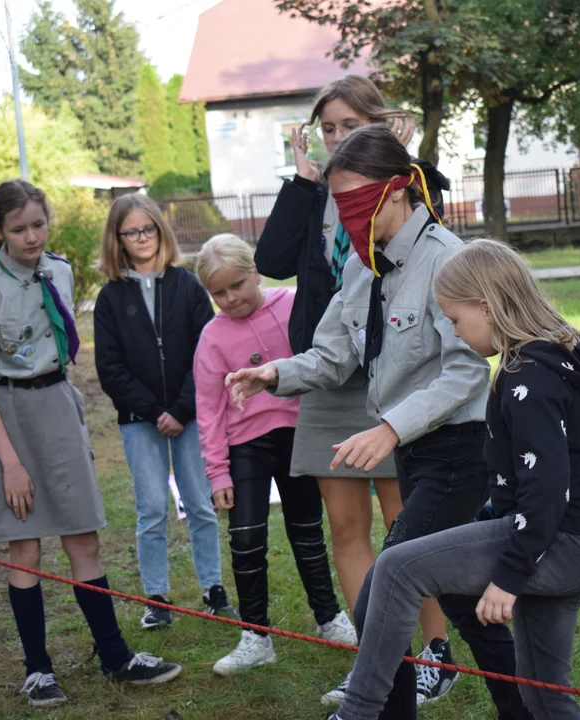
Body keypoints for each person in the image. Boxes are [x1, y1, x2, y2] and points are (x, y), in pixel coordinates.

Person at [228, 126, 528, 720]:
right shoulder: (365, 267)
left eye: (357, 199)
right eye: (338, 203)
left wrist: (389, 428)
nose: (346, 214)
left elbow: (466, 375)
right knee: (465, 601)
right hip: (415, 457)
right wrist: (277, 375)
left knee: (383, 592)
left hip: (459, 454)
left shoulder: (449, 261)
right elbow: (337, 353)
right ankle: (530, 710)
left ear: (398, 190)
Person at [326, 238, 580, 720]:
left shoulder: (527, 377)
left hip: (557, 541)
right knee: (543, 695)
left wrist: (507, 578)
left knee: (398, 567)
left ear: (487, 305)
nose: (456, 335)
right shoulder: (551, 356)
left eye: (456, 320)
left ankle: (357, 713)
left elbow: (546, 490)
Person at [254, 73, 456, 706]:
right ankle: (381, 662)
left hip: (395, 377)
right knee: (345, 527)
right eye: (329, 128)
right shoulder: (320, 194)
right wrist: (305, 181)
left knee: (405, 529)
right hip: (326, 366)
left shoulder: (404, 192)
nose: (338, 137)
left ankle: (436, 654)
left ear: (379, 124)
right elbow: (271, 259)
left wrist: (403, 161)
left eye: (351, 126)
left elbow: (429, 242)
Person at [0, 180, 181, 708]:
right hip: (7, 416)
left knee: (84, 540)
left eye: (38, 225)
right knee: (27, 546)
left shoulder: (59, 270)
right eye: (18, 229)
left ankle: (115, 656)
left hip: (56, 406)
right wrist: (9, 463)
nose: (31, 237)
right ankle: (37, 670)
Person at [193, 234, 357, 675]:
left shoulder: (293, 306)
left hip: (299, 435)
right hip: (245, 447)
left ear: (257, 272)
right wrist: (218, 473)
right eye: (218, 293)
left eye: (238, 285)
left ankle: (328, 617)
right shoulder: (211, 338)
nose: (230, 299)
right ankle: (255, 635)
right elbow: (207, 410)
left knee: (307, 532)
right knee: (246, 539)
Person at [93, 194, 235, 629]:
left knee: (200, 503)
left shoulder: (187, 286)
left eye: (148, 229)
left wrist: (181, 408)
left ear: (161, 231)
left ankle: (213, 588)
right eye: (131, 231)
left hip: (190, 415)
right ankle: (157, 597)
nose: (141, 238)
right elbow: (110, 369)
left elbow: (206, 353)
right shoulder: (110, 298)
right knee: (151, 507)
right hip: (142, 421)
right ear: (117, 238)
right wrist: (155, 411)